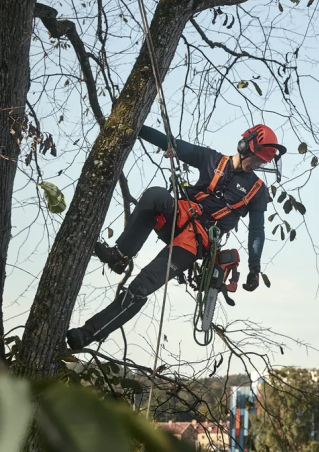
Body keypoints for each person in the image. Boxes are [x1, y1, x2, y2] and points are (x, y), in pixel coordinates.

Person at [66, 123, 286, 350]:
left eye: (263, 162)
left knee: (142, 287)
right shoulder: (211, 159)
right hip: (178, 215)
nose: (258, 165)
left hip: (195, 242)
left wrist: (254, 268)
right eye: (258, 159)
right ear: (244, 146)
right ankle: (120, 255)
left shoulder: (258, 191)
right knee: (156, 195)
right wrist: (136, 126)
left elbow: (257, 231)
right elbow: (171, 143)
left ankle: (89, 333)